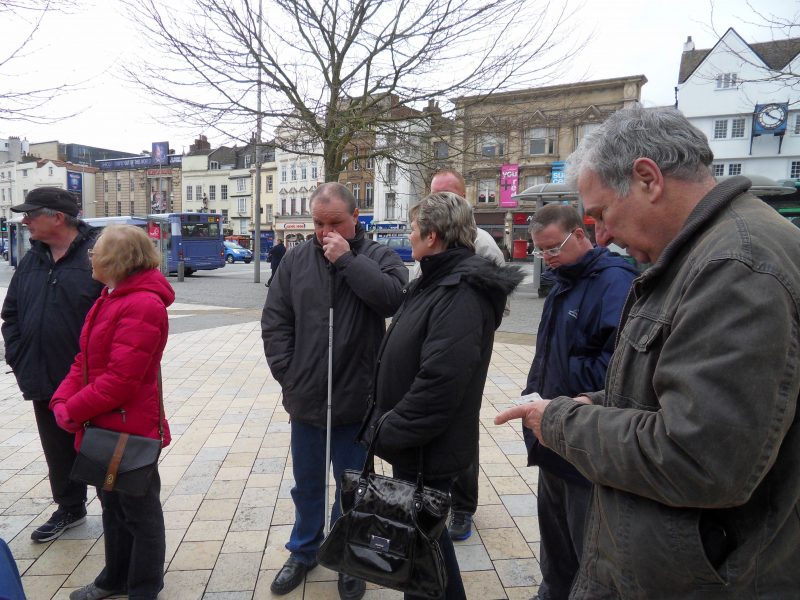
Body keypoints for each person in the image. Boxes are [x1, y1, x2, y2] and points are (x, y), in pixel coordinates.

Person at [495, 106, 800, 597]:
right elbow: (672, 391)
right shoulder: (699, 254)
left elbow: (699, 456)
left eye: (600, 215)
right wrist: (602, 400)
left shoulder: (736, 265)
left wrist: (559, 420)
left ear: (647, 179)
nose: (602, 236)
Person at [364, 192, 522, 600]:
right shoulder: (436, 279)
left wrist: (387, 429)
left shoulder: (460, 291)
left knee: (425, 550)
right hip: (417, 444)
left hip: (425, 448)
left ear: (432, 236)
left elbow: (440, 383)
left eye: (413, 229)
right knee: (424, 547)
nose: (410, 235)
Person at [261, 182, 407, 599]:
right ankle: (303, 550)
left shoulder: (378, 256)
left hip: (357, 397)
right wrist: (288, 374)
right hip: (306, 396)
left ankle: (348, 555)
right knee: (306, 483)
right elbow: (275, 320)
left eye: (335, 223)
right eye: (319, 223)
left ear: (355, 217)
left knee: (353, 485)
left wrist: (347, 261)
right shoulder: (295, 260)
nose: (325, 231)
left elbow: (393, 299)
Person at [50, 225, 174, 600]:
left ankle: (144, 587)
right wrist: (62, 399)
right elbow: (84, 360)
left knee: (139, 512)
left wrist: (73, 408)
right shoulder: (111, 296)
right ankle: (115, 577)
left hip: (129, 428)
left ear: (117, 260)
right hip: (104, 424)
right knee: (113, 506)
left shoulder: (143, 304)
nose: (90, 257)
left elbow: (123, 379)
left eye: (95, 252)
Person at [523, 203, 636, 600]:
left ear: (580, 235)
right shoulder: (563, 281)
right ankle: (551, 591)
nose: (548, 259)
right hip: (550, 433)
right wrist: (534, 392)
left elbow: (622, 365)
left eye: (553, 248)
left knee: (586, 545)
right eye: (541, 251)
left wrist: (569, 389)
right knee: (553, 543)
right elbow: (547, 352)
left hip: (585, 439)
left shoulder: (615, 282)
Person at [1, 187, 104, 543]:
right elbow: (11, 312)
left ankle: (119, 515)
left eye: (31, 214)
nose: (24, 220)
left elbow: (121, 314)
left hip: (92, 383)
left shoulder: (98, 254)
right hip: (42, 375)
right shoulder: (33, 259)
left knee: (103, 449)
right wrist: (18, 352)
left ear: (57, 217)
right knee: (56, 449)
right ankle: (70, 507)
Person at [427, 168, 507, 541]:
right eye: (434, 196)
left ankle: (463, 506)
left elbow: (494, 310)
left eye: (448, 196)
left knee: (461, 424)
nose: (440, 203)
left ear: (464, 198)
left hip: (467, 350)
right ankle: (436, 495)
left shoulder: (484, 244)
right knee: (436, 423)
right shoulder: (429, 238)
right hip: (431, 346)